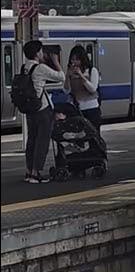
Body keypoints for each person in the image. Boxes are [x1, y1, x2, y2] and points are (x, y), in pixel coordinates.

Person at [19, 40, 64, 184]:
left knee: (31, 140)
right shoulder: (40, 68)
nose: (43, 53)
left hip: (30, 110)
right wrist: (56, 62)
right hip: (42, 110)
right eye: (41, 51)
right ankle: (36, 173)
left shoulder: (24, 67)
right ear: (37, 53)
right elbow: (61, 77)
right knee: (42, 141)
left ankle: (28, 171)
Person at [66, 45, 102, 129]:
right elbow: (66, 90)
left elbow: (93, 89)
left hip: (91, 108)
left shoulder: (92, 70)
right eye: (72, 59)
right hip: (77, 108)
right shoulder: (71, 72)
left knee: (93, 133)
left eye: (77, 59)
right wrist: (67, 76)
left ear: (82, 59)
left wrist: (81, 76)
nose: (74, 62)